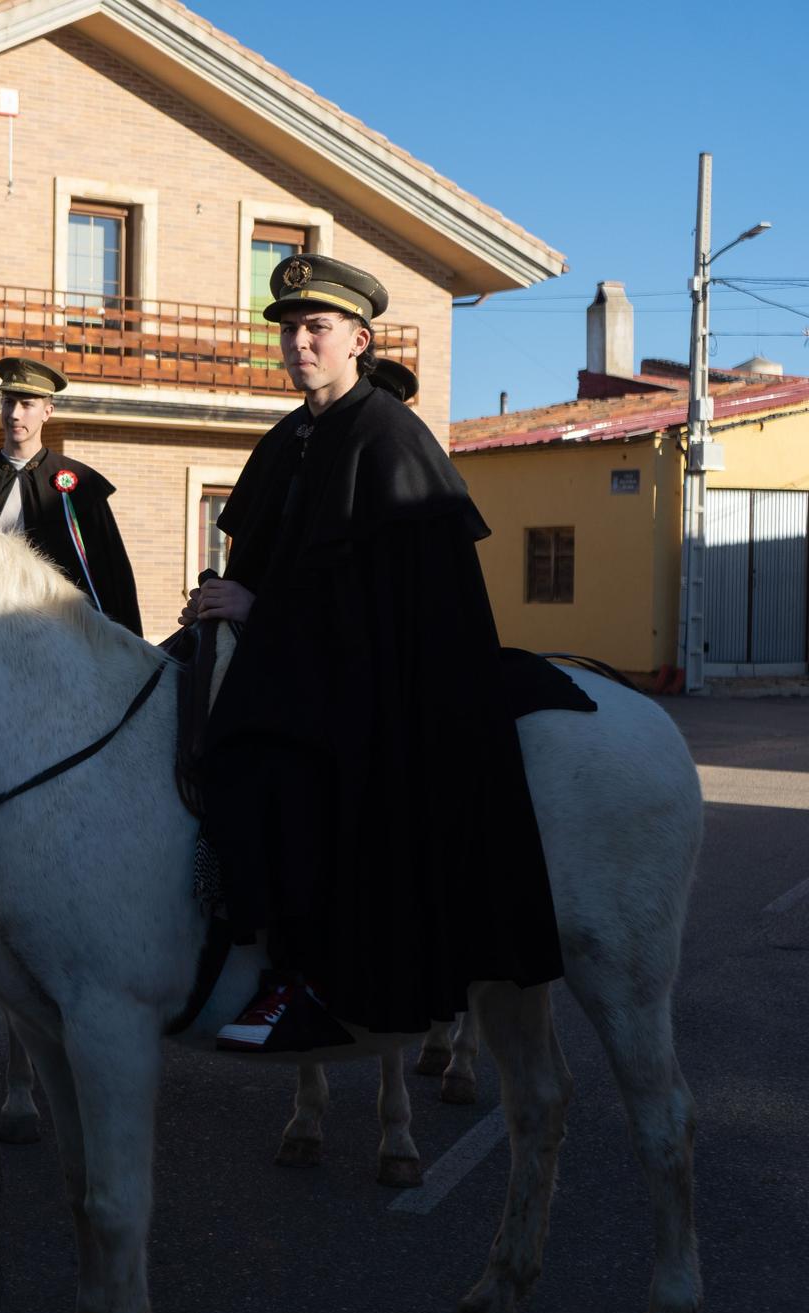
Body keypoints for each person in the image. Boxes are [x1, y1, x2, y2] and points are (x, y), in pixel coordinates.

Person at [181, 254, 562, 1053]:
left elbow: (391, 603)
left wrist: (261, 609)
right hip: (300, 655)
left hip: (381, 679)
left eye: (316, 329)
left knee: (276, 761)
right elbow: (264, 553)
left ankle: (306, 976)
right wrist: (220, 604)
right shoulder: (291, 436)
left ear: (358, 339)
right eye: (288, 330)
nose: (298, 344)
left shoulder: (390, 437)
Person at [0, 357, 143, 636]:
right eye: (8, 402)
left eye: (27, 405)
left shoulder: (80, 486)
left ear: (47, 412)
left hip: (61, 635)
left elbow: (112, 574)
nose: (15, 414)